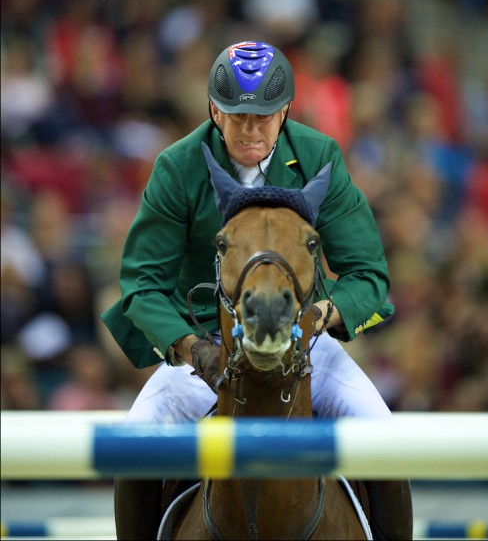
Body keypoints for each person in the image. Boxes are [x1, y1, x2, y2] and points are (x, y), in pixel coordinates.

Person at [102, 40, 413, 540]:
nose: (250, 130)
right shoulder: (176, 167)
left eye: (264, 117)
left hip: (305, 340)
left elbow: (368, 274)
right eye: (237, 116)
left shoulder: (319, 157)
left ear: (285, 110)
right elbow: (143, 287)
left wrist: (320, 317)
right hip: (202, 345)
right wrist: (194, 349)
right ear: (213, 111)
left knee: (384, 439)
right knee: (136, 446)